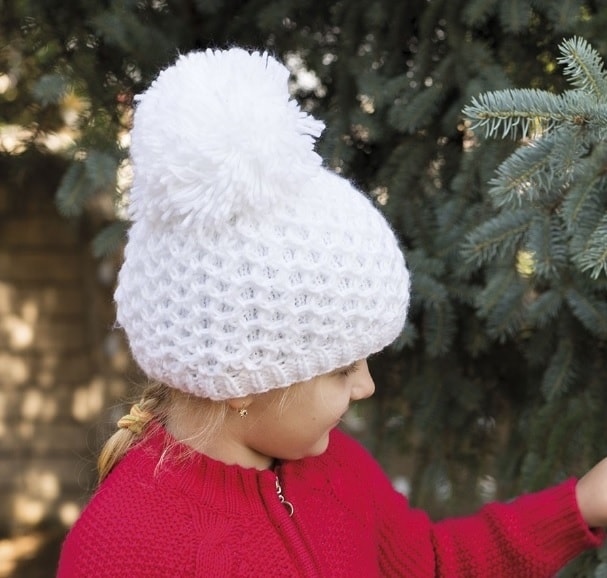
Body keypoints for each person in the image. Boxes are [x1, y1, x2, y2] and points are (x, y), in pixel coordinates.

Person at [57, 47, 607, 578]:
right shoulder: (125, 550)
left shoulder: (334, 471)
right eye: (343, 367)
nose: (366, 385)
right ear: (241, 376)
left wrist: (583, 505)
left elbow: (431, 564)